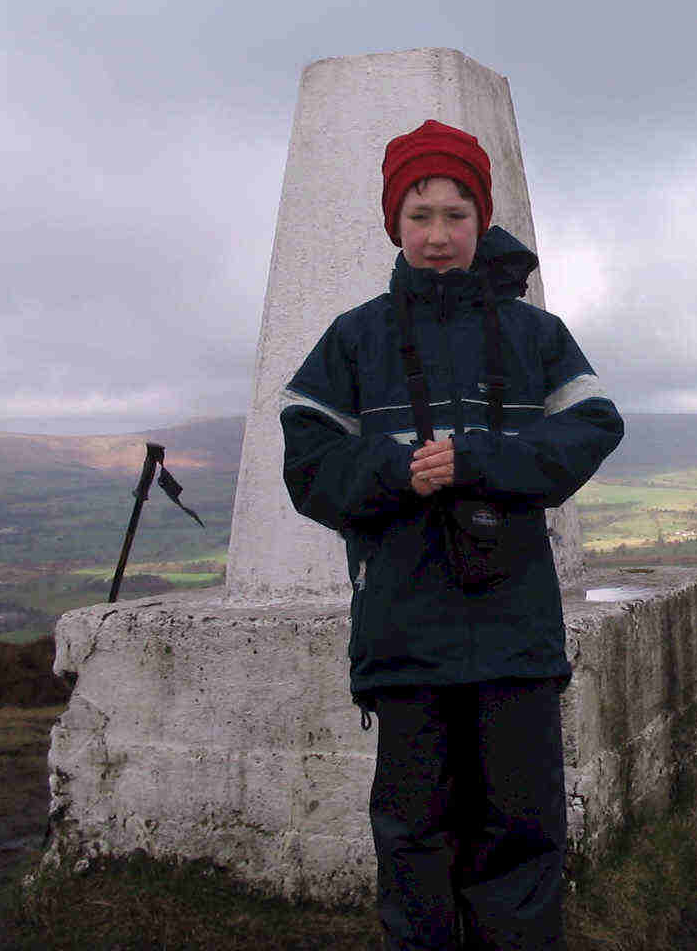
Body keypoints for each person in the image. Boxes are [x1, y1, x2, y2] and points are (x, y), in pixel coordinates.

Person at [279, 118, 623, 950]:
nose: (438, 235)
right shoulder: (353, 338)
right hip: (405, 636)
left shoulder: (535, 334)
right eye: (420, 214)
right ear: (394, 223)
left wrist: (479, 460)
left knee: (523, 837)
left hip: (516, 636)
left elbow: (592, 430)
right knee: (414, 842)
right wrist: (398, 473)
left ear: (482, 220)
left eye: (456, 214)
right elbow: (309, 468)